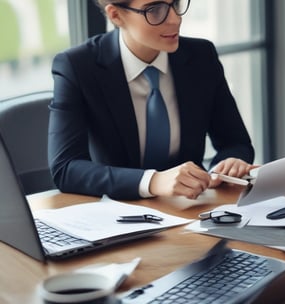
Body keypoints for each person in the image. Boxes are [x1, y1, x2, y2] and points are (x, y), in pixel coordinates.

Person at [49, 0, 255, 200]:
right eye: (155, 10)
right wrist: (153, 181)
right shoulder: (78, 66)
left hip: (190, 207)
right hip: (116, 211)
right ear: (116, 15)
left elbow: (236, 142)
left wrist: (229, 164)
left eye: (175, 4)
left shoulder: (201, 56)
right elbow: (66, 168)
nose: (175, 19)